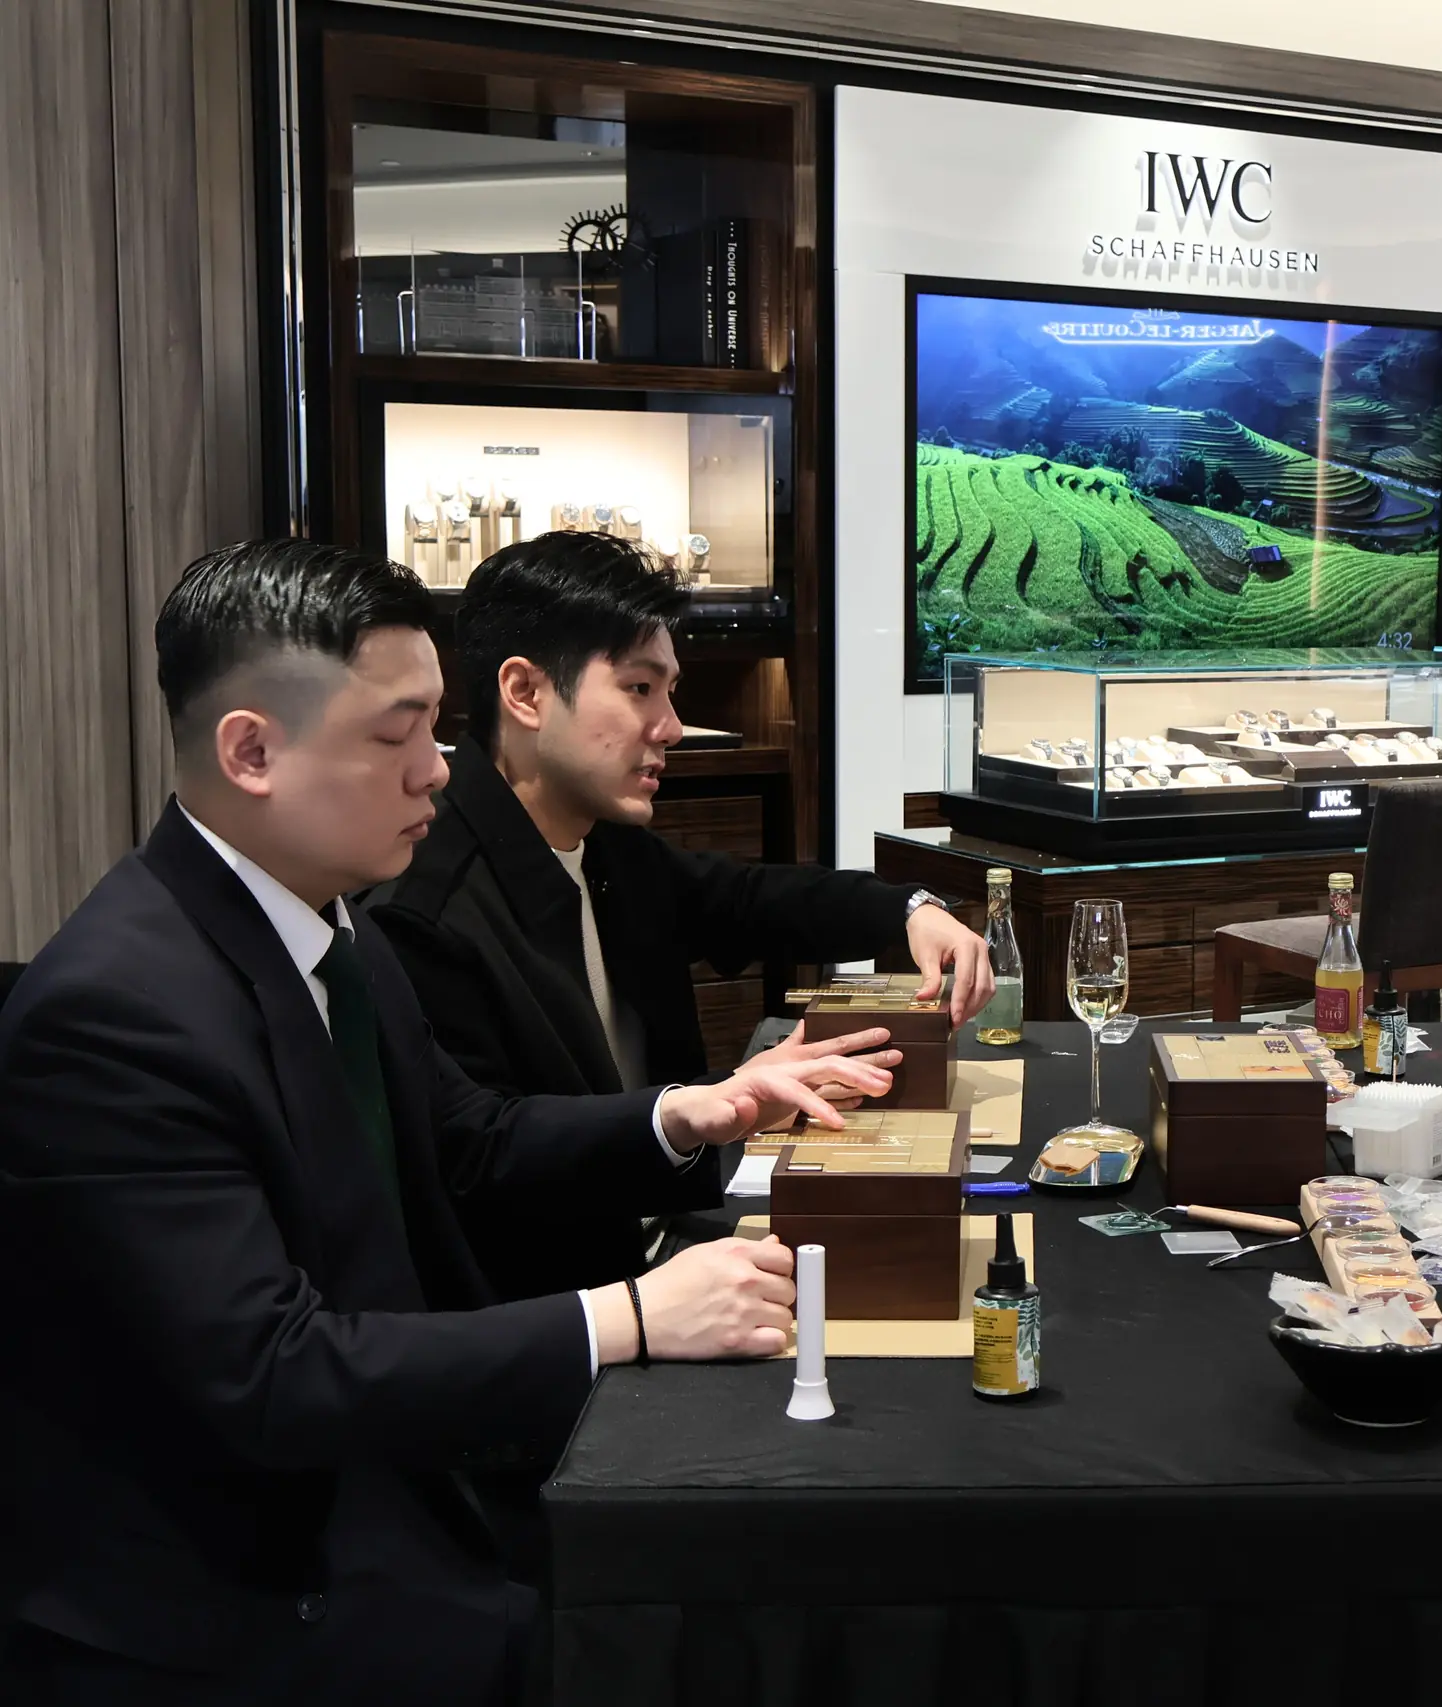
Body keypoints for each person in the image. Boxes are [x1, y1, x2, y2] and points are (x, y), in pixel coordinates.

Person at [0, 540, 887, 1704]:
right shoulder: (113, 1015)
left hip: (393, 1488)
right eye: (398, 735)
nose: (436, 772)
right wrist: (626, 1316)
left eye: (437, 728)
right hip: (247, 1597)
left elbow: (469, 1137)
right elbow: (269, 1375)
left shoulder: (330, 928)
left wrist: (691, 1113)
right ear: (252, 752)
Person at [364, 531, 991, 1301]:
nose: (668, 726)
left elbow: (743, 898)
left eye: (669, 692)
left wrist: (909, 908)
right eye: (639, 688)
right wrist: (711, 1102)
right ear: (524, 693)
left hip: (674, 1232)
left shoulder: (605, 840)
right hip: (589, 1304)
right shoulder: (423, 912)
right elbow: (486, 1160)